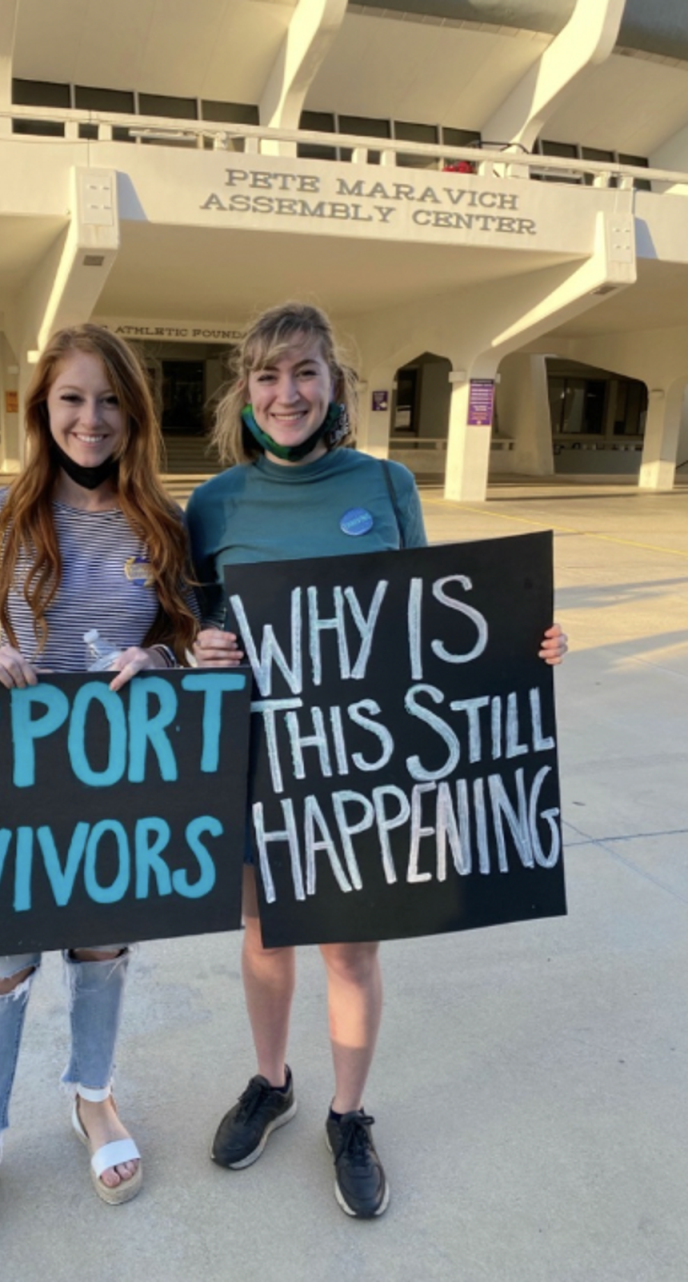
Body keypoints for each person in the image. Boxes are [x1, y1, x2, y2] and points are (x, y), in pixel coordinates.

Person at [185, 301, 568, 1221]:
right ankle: (270, 1083)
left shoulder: (387, 485)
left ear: (335, 386)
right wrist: (199, 643)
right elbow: (193, 619)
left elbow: (434, 623)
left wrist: (526, 640)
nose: (288, 393)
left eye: (305, 372)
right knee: (264, 934)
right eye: (269, 376)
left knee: (350, 949)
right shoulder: (213, 502)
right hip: (257, 759)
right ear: (245, 392)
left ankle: (348, 1115)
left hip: (363, 767)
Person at [0, 324, 198, 1271]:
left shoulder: (161, 520)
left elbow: (184, 640)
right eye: (73, 398)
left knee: (103, 949)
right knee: (1, 968)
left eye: (111, 400)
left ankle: (93, 1096)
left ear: (135, 414)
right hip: (19, 781)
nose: (92, 418)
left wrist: (157, 657)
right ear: (44, 408)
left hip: (117, 784)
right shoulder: (1, 512)